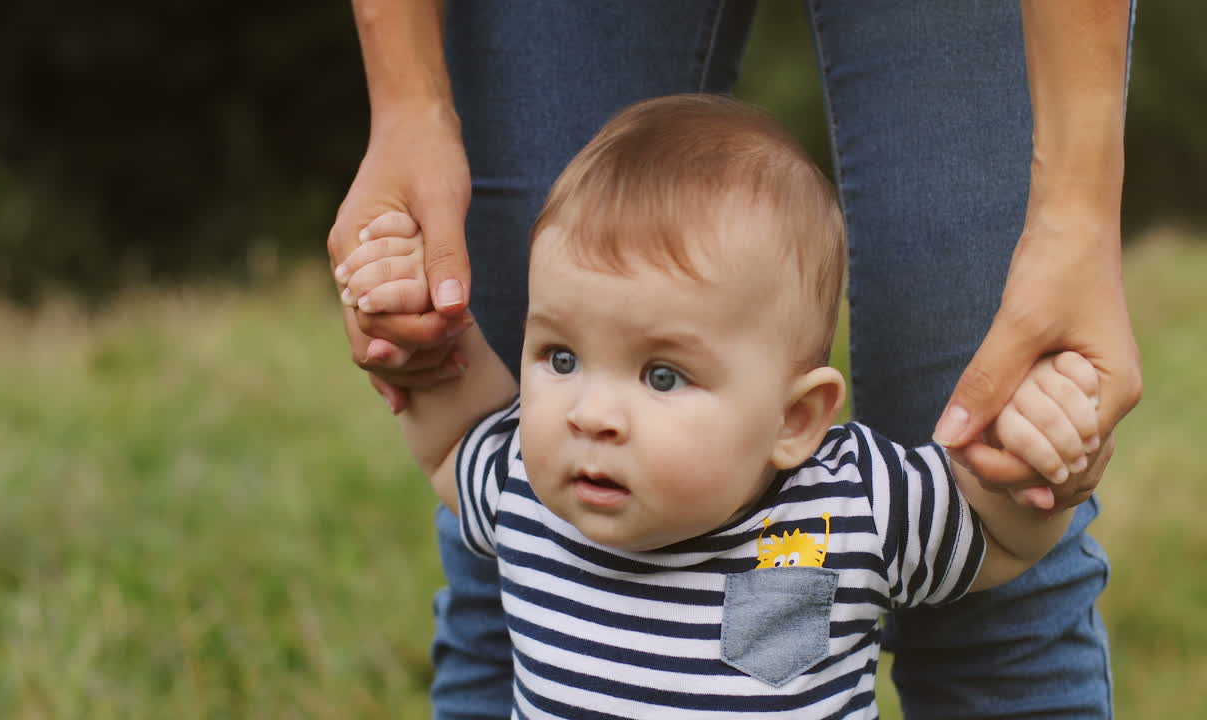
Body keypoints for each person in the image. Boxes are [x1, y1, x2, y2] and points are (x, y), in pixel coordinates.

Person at [329, 2, 1142, 717]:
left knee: (996, 639)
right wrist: (414, 308)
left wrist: (1042, 448)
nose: (590, 413)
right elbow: (448, 433)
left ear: (796, 419)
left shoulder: (842, 511)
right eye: (562, 357)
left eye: (662, 376)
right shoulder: (528, 494)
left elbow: (1000, 537)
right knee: (482, 608)